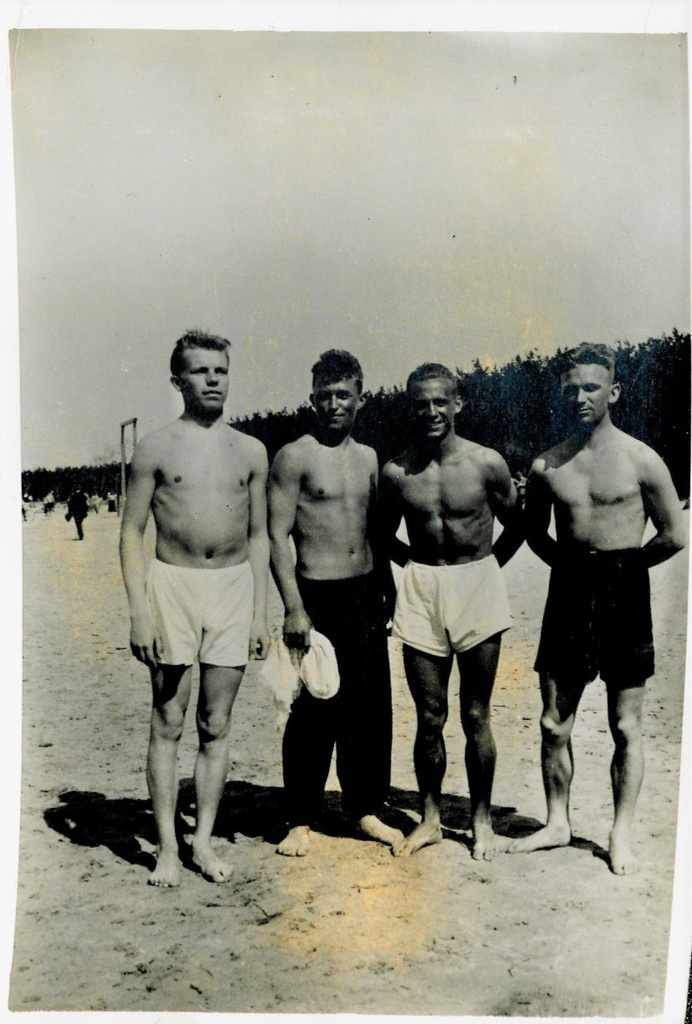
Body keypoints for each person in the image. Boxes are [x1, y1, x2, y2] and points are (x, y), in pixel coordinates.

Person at [508, 343, 686, 874]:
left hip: (625, 593)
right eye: (571, 389)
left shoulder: (641, 458)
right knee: (553, 722)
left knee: (626, 725)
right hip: (567, 592)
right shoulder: (547, 464)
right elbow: (532, 531)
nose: (580, 397)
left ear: (614, 391)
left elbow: (675, 534)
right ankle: (557, 821)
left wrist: (627, 568)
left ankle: (620, 833)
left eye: (591, 387)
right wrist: (569, 567)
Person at [119, 329, 269, 886]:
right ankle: (166, 849)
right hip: (172, 587)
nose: (212, 379)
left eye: (220, 370)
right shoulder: (155, 447)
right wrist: (140, 611)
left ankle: (202, 841)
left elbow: (259, 537)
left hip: (231, 589)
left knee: (216, 722)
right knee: (167, 719)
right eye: (200, 371)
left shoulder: (250, 450)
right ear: (178, 380)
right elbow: (131, 532)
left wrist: (258, 613)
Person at [380, 363, 523, 860]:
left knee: (476, 713)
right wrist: (416, 569)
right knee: (429, 716)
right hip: (422, 588)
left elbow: (518, 523)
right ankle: (432, 819)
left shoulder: (486, 463)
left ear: (458, 403)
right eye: (422, 403)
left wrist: (486, 568)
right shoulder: (397, 472)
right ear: (411, 407)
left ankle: (481, 821)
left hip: (478, 582)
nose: (432, 411)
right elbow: (381, 535)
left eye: (441, 401)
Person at [268, 349, 401, 857]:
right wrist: (293, 609)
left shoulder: (368, 458)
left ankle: (364, 809)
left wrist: (386, 588)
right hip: (315, 594)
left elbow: (374, 532)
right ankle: (300, 816)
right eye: (323, 396)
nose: (333, 404)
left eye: (343, 395)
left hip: (365, 593)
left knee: (369, 707)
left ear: (360, 398)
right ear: (312, 399)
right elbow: (278, 536)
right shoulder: (294, 455)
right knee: (312, 707)